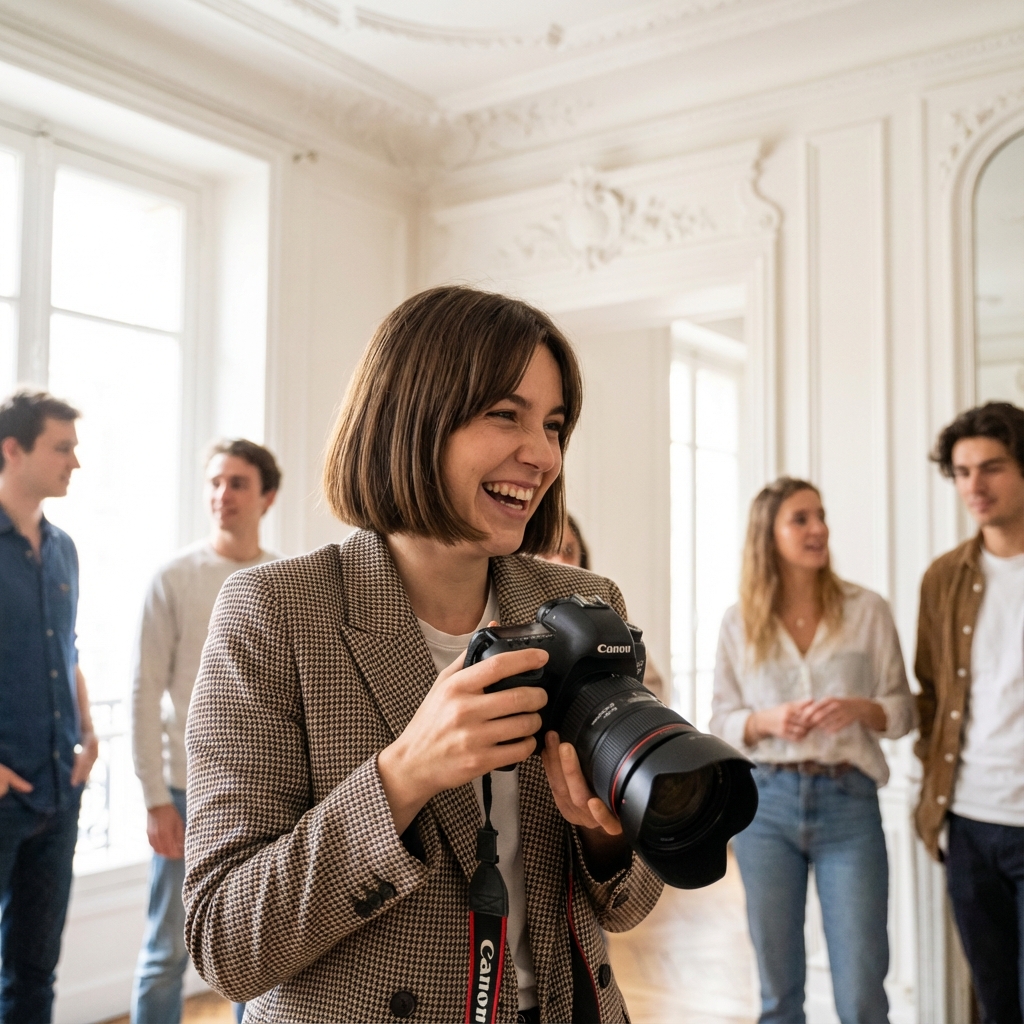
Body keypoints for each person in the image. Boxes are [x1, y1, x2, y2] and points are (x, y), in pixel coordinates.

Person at [183, 286, 663, 1023]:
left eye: (555, 424)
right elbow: (227, 943)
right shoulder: (274, 614)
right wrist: (403, 776)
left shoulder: (588, 603)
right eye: (506, 414)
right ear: (411, 417)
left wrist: (604, 835)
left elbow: (628, 904)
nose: (541, 455)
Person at [710, 476, 915, 1024]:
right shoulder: (739, 622)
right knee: (779, 994)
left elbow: (902, 709)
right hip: (766, 807)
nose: (818, 529)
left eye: (820, 516)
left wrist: (861, 709)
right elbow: (719, 723)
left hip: (849, 804)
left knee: (862, 992)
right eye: (801, 519)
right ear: (768, 535)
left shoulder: (868, 610)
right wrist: (766, 719)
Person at [130, 439, 282, 1024]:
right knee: (165, 952)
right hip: (182, 794)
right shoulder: (173, 578)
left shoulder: (284, 579)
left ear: (267, 496)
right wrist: (152, 799)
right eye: (215, 482)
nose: (222, 496)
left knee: (257, 947)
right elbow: (145, 691)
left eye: (238, 483)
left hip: (263, 793)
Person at [914, 401, 1024, 1024]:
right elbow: (930, 693)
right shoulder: (943, 579)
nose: (974, 486)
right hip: (970, 824)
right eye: (960, 472)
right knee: (993, 1002)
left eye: (992, 468)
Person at [0, 388, 99, 1023]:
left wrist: (89, 735)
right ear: (12, 449)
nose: (75, 462)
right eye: (62, 448)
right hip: (3, 792)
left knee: (35, 972)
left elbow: (66, 648)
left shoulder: (63, 548)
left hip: (61, 789)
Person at [539, 514, 668, 705]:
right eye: (546, 551)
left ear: (582, 558)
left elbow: (653, 685)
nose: (559, 561)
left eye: (568, 551)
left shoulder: (606, 612)